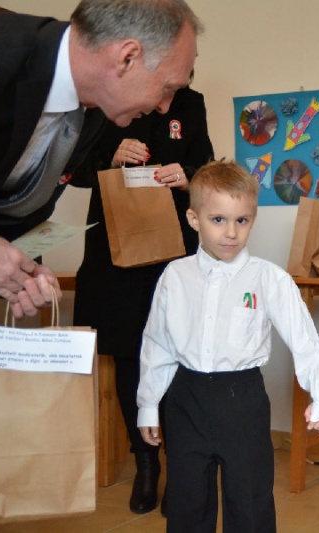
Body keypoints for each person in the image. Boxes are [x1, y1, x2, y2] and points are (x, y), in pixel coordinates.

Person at [0, 0, 201, 322]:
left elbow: (15, 198)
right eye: (167, 88)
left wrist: (20, 269)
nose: (164, 108)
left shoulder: (96, 110)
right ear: (127, 58)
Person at [136, 160, 319, 532]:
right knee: (187, 502)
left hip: (243, 400)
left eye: (241, 220)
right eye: (218, 220)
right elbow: (158, 343)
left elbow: (305, 341)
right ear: (194, 219)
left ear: (252, 220)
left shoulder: (269, 278)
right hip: (185, 400)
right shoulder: (175, 277)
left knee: (250, 502)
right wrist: (148, 404)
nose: (231, 232)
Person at [70, 85, 214, 514]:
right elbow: (74, 170)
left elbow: (207, 169)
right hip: (117, 254)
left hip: (176, 250)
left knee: (180, 357)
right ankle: (146, 464)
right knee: (130, 357)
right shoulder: (109, 96)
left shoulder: (191, 103)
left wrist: (187, 175)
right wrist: (111, 157)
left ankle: (179, 467)